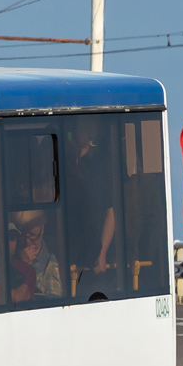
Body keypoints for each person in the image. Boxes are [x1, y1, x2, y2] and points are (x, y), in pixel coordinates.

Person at [67, 119, 118, 298]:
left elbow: (110, 212)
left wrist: (101, 253)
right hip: (68, 249)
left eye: (86, 126)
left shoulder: (101, 162)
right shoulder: (65, 157)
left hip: (92, 253)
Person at [9, 210, 61, 303]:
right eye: (22, 236)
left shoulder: (52, 266)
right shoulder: (10, 253)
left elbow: (53, 304)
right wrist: (20, 264)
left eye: (32, 235)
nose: (27, 242)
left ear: (42, 229)